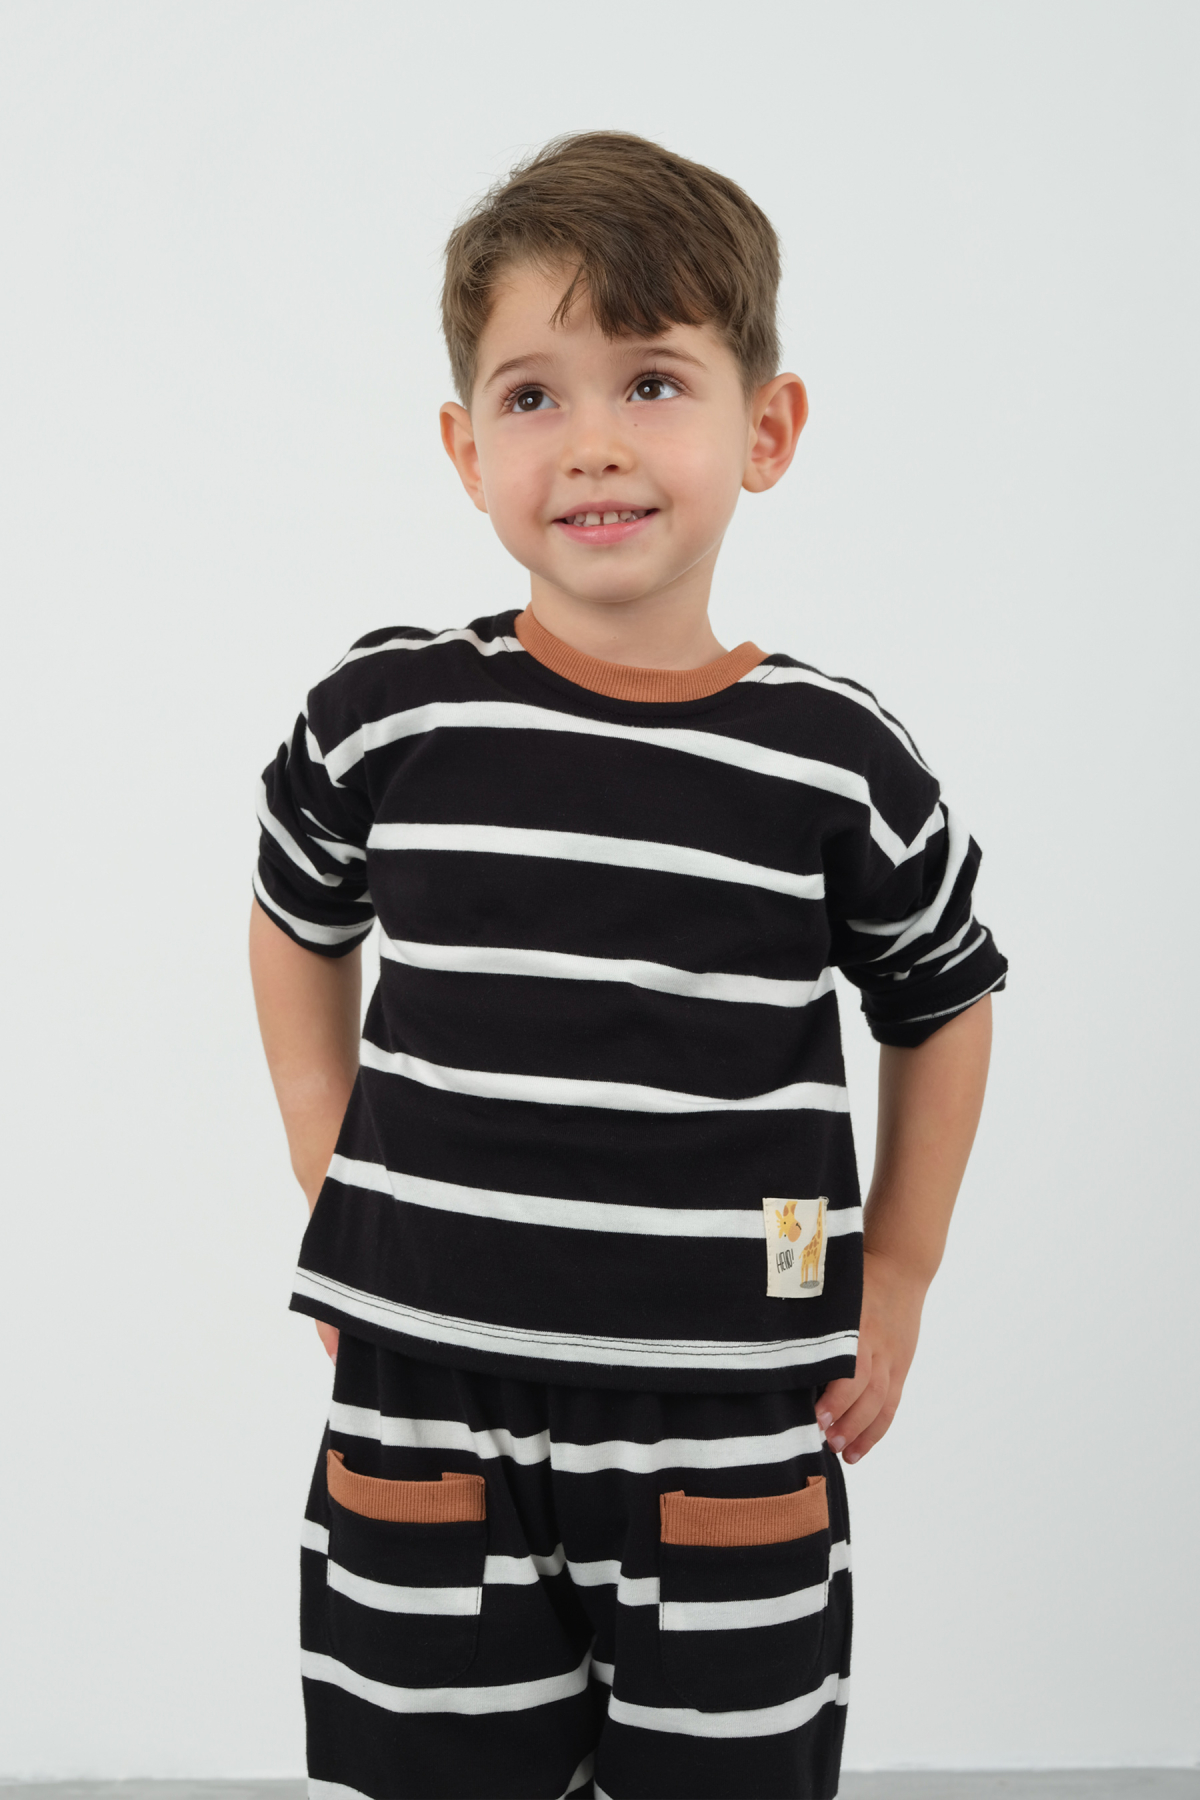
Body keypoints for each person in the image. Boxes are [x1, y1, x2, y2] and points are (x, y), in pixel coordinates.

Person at [249, 131, 1006, 1800]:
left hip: (732, 1414)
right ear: (466, 449)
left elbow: (945, 999)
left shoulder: (836, 763)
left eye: (653, 382)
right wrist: (332, 1171)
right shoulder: (388, 720)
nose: (593, 441)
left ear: (766, 429)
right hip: (430, 1406)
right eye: (533, 396)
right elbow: (296, 913)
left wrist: (900, 1272)